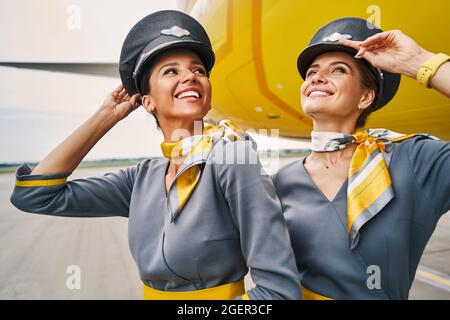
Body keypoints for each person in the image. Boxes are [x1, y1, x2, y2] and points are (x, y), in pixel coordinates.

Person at [10, 10, 300, 300]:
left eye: (198, 70)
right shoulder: (141, 179)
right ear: (146, 101)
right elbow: (35, 195)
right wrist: (105, 116)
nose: (190, 77)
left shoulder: (234, 160)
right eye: (171, 71)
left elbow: (279, 293)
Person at [272, 17, 450, 300]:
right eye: (311, 72)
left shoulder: (415, 160)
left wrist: (420, 62)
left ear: (366, 97)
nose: (316, 77)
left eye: (338, 69)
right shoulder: (282, 180)